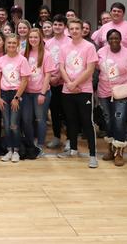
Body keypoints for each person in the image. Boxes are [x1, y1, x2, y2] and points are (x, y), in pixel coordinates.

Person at [57, 18, 99, 168]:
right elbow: (62, 67)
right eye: (72, 29)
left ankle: (93, 155)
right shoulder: (64, 47)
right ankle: (73, 149)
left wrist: (75, 83)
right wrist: (69, 83)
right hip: (67, 90)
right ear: (68, 30)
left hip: (84, 90)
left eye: (77, 28)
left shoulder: (89, 47)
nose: (74, 31)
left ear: (82, 30)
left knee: (87, 122)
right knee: (70, 121)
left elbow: (90, 69)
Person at [97, 29, 127, 166]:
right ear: (107, 40)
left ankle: (119, 152)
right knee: (108, 120)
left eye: (116, 38)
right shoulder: (101, 52)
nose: (114, 41)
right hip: (104, 91)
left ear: (121, 39)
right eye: (111, 38)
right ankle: (111, 149)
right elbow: (96, 69)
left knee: (119, 120)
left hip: (121, 92)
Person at [0, 34, 32, 163]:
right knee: (6, 124)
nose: (11, 45)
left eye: (13, 43)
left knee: (13, 124)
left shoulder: (22, 60)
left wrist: (17, 97)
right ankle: (9, 149)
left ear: (17, 45)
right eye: (9, 43)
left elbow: (25, 80)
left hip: (17, 94)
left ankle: (16, 150)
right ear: (5, 44)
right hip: (4, 94)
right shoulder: (1, 60)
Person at [23, 28, 55, 155]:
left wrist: (42, 93)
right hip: (26, 92)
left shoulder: (46, 54)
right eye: (31, 37)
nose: (33, 40)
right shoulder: (23, 53)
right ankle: (30, 143)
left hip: (41, 92)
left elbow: (47, 75)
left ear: (40, 39)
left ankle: (40, 145)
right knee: (26, 119)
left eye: (36, 37)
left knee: (40, 119)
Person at [45, 15, 71, 149]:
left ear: (65, 27)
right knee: (54, 111)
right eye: (55, 24)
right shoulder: (48, 43)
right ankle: (56, 137)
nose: (57, 27)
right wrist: (50, 79)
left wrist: (60, 77)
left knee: (67, 111)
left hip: (65, 82)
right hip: (51, 82)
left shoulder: (69, 42)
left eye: (60, 24)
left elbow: (69, 64)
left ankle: (69, 139)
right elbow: (45, 63)